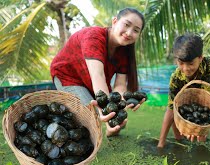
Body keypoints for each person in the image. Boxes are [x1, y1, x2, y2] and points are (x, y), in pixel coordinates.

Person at [50, 7, 146, 137]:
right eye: (126, 25)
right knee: (92, 115)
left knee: (118, 117)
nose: (129, 33)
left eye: (135, 30)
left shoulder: (124, 51)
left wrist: (125, 101)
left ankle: (110, 130)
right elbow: (98, 76)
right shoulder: (94, 36)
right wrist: (106, 110)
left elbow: (120, 85)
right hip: (68, 76)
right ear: (114, 21)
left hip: (91, 80)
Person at [157, 33, 210, 148]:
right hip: (183, 104)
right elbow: (171, 109)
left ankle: (201, 150)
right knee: (177, 130)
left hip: (202, 102)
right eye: (181, 63)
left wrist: (196, 125)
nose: (185, 69)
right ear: (176, 60)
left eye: (191, 63)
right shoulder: (176, 78)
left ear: (200, 58)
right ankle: (179, 141)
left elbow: (207, 100)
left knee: (201, 135)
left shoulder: (209, 66)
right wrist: (161, 144)